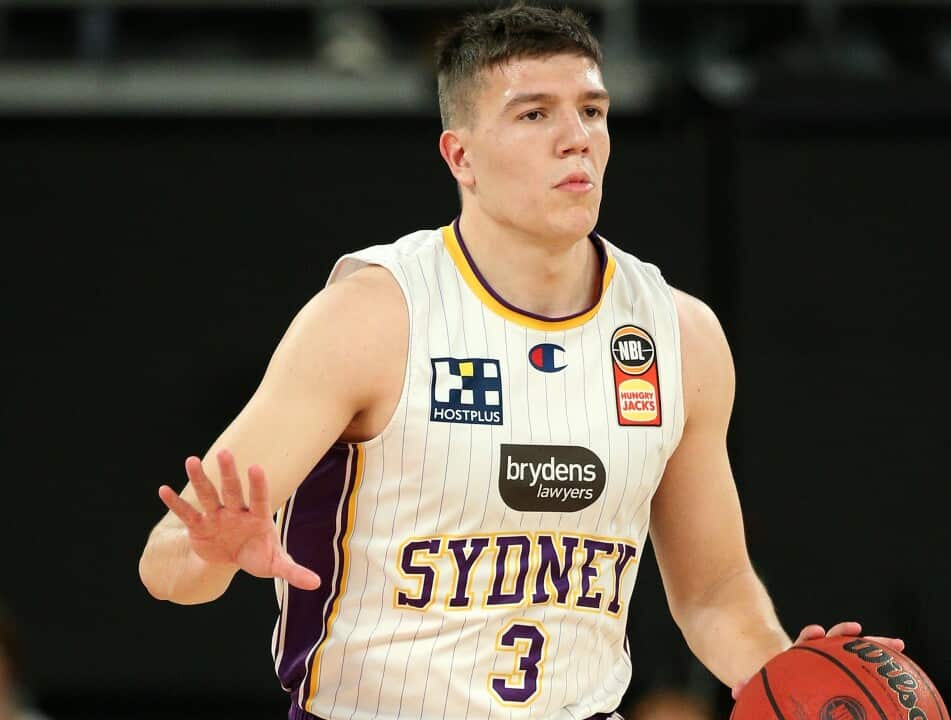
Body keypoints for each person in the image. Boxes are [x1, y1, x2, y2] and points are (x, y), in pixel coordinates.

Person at [137, 4, 902, 719]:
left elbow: (713, 593)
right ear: (460, 155)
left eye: (592, 111)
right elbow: (165, 564)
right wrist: (210, 555)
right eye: (535, 114)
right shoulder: (371, 317)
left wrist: (799, 685)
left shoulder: (679, 334)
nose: (576, 138)